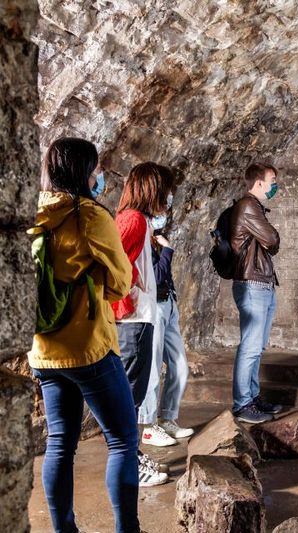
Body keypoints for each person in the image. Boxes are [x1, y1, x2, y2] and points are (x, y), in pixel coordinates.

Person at [29, 137, 140, 532]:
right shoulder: (89, 215)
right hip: (88, 346)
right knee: (124, 441)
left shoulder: (33, 214)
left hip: (43, 350)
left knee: (59, 444)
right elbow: (121, 282)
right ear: (83, 171)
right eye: (96, 168)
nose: (100, 176)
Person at [113, 162, 171, 486]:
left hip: (138, 318)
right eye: (166, 189)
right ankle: (129, 464)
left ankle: (131, 457)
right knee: (130, 397)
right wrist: (127, 298)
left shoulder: (140, 222)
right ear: (154, 188)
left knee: (133, 395)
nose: (168, 196)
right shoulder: (133, 220)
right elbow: (111, 262)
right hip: (132, 321)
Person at [138, 165, 194, 446]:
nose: (170, 198)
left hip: (168, 302)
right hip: (154, 307)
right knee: (151, 371)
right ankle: (149, 428)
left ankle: (167, 419)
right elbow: (154, 275)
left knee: (180, 366)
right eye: (168, 193)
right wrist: (168, 250)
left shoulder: (154, 227)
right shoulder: (138, 227)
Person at [229, 163, 285, 423]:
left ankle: (252, 397)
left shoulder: (255, 208)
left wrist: (269, 239)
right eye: (272, 180)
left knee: (257, 347)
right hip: (253, 284)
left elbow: (270, 245)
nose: (275, 185)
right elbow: (272, 240)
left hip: (261, 282)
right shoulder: (249, 206)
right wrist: (270, 237)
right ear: (259, 183)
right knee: (250, 347)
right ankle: (242, 405)